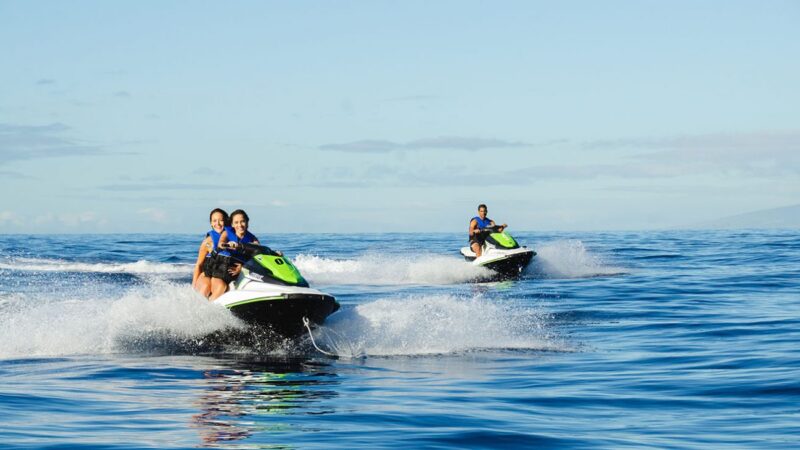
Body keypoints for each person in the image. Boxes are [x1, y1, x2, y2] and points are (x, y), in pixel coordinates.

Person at [209, 209, 260, 300]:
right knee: (221, 288)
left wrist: (273, 253)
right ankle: (207, 309)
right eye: (236, 222)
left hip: (238, 271)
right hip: (220, 271)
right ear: (232, 224)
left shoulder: (252, 239)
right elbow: (221, 242)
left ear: (247, 222)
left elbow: (259, 251)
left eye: (242, 222)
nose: (239, 225)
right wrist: (228, 244)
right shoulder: (226, 233)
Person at [192, 208, 229, 298]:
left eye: (221, 220)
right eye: (214, 221)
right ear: (211, 223)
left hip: (222, 274)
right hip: (207, 275)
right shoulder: (207, 242)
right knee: (205, 287)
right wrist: (193, 286)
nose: (218, 224)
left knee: (221, 286)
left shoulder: (233, 238)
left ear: (226, 221)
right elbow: (199, 265)